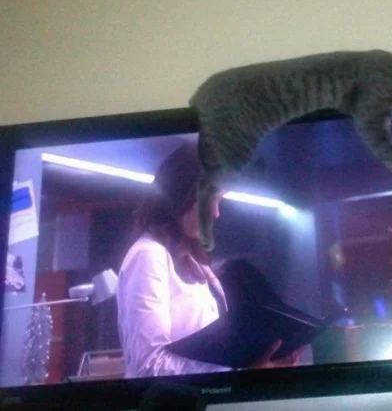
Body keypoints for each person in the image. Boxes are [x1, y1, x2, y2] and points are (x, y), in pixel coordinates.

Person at [117, 142, 303, 378]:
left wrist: (262, 361)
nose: (216, 213)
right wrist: (237, 372)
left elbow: (214, 353)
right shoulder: (148, 255)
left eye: (219, 201)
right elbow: (147, 365)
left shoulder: (196, 264)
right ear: (181, 195)